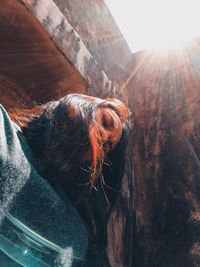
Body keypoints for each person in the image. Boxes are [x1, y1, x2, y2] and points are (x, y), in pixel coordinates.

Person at [9, 93, 129, 266]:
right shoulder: (4, 131)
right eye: (105, 121)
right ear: (82, 103)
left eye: (106, 146)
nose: (103, 135)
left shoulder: (77, 234)